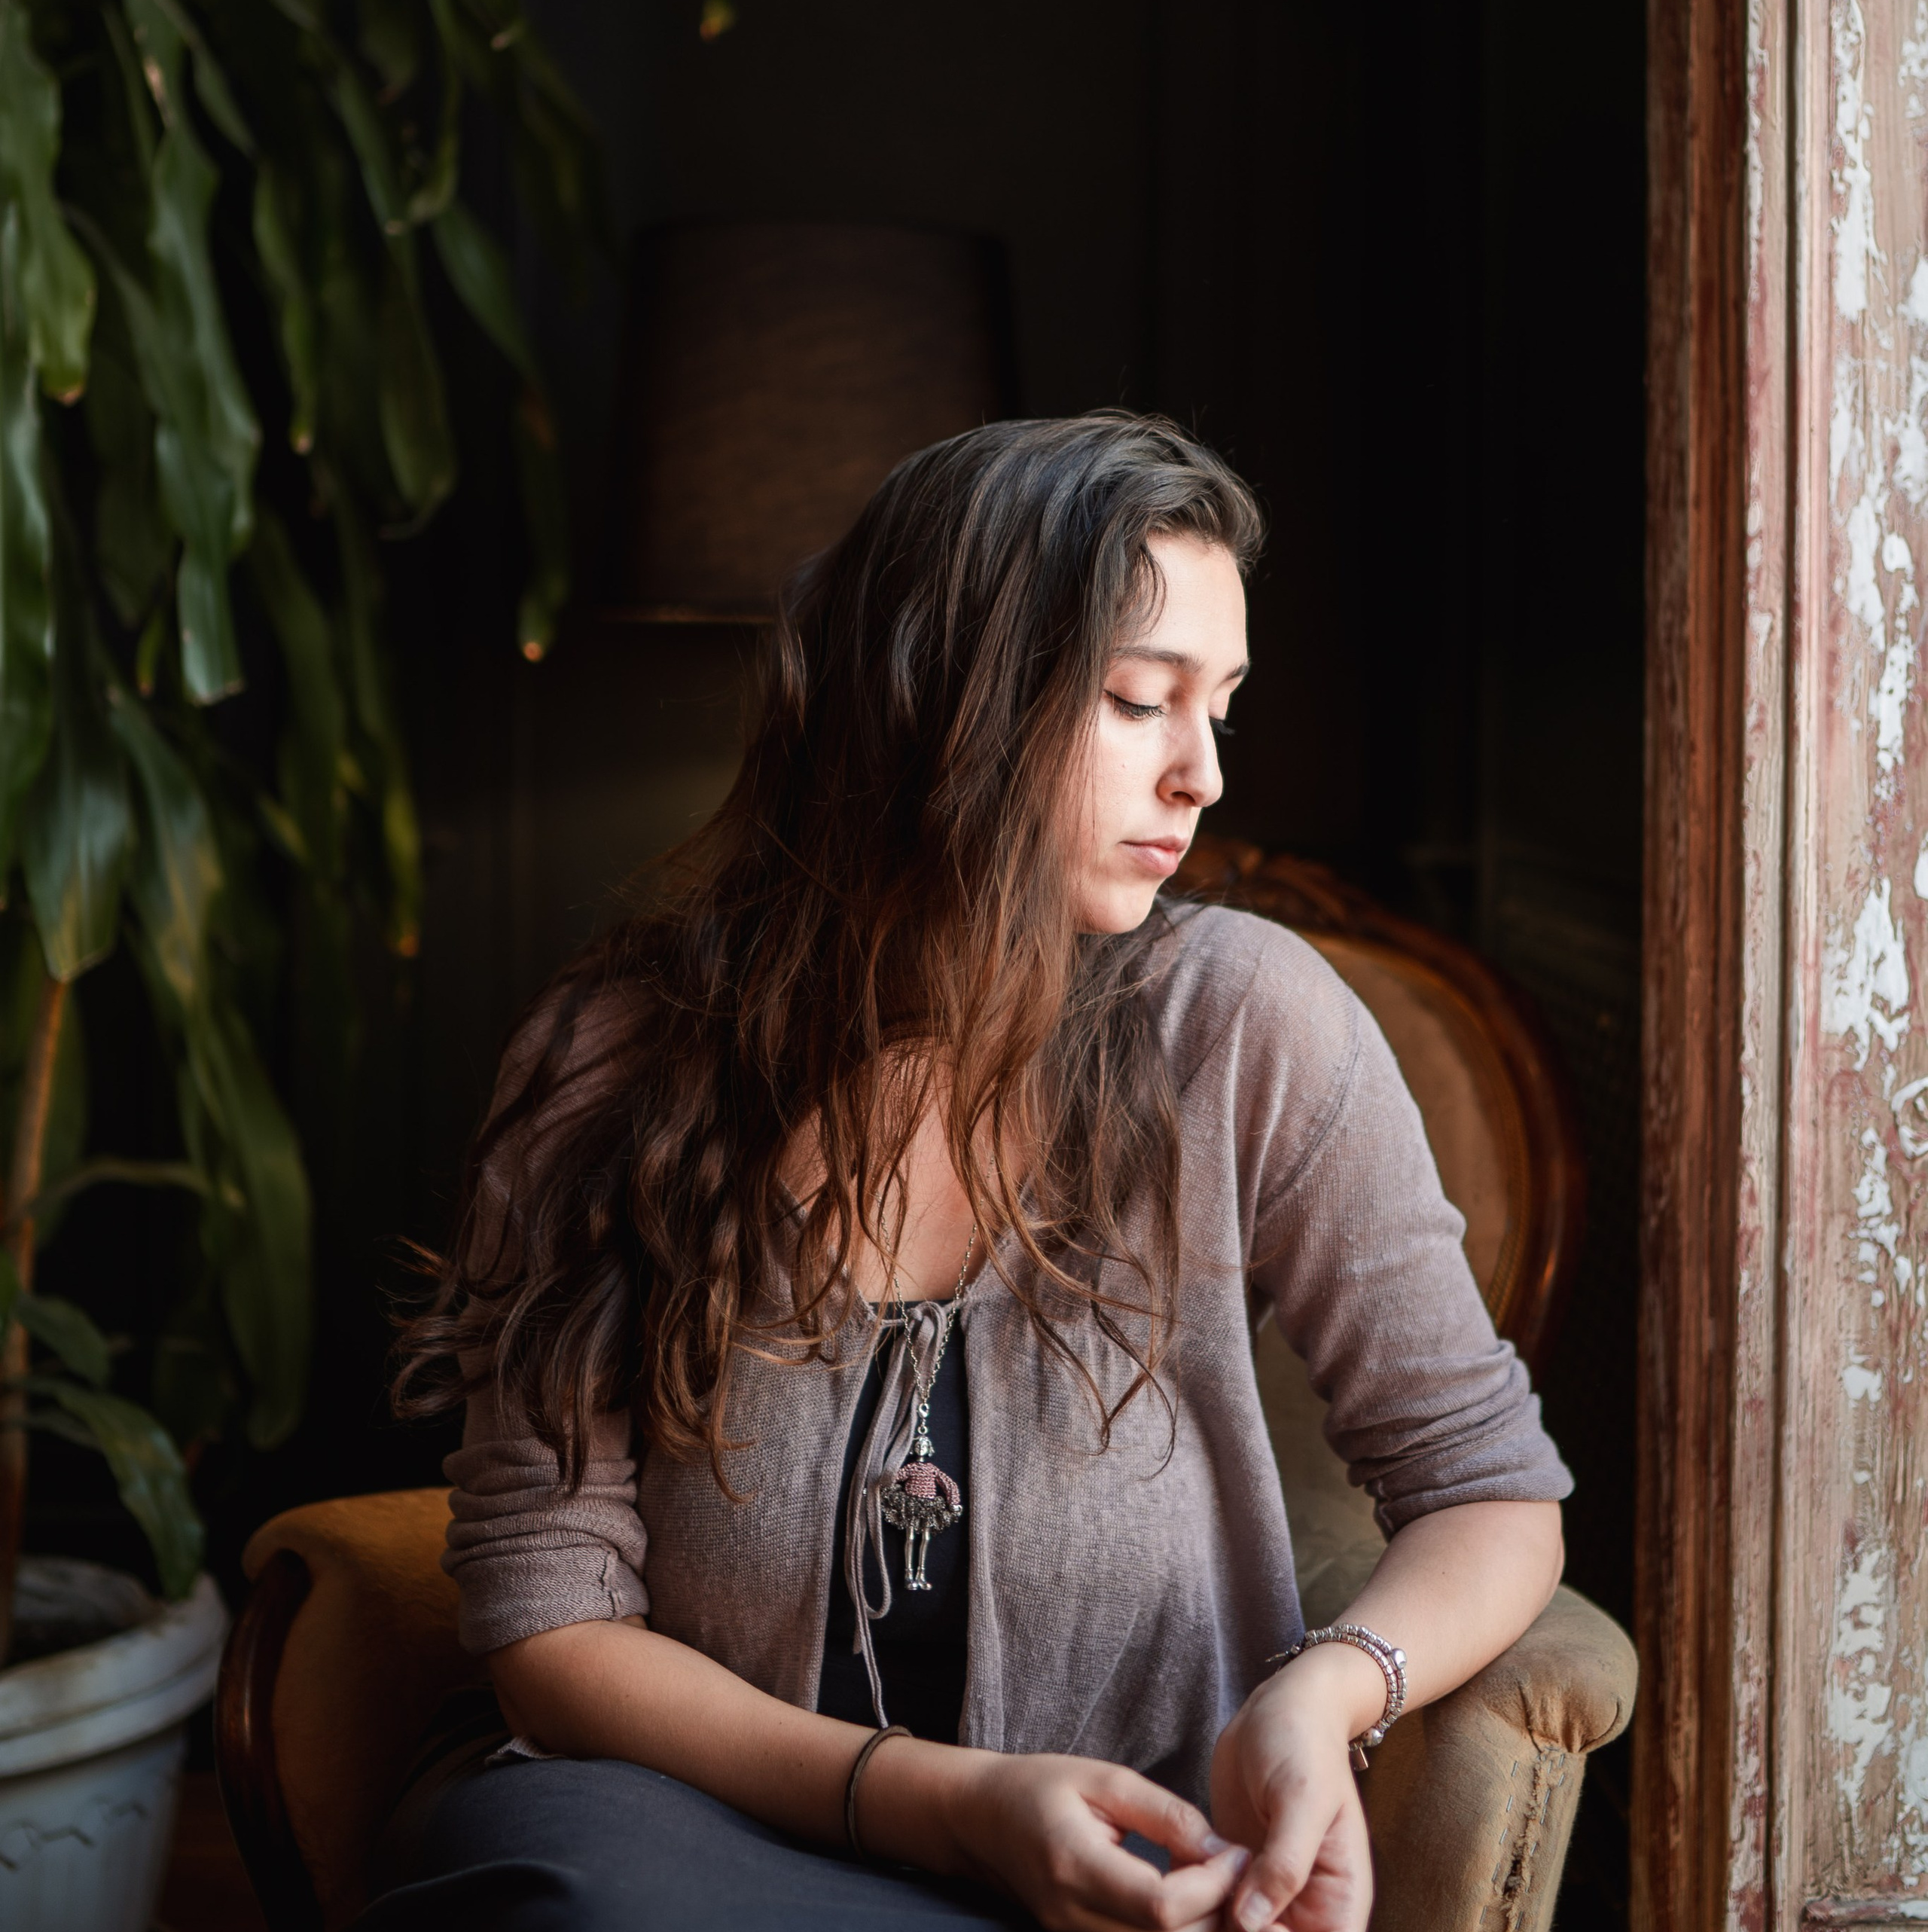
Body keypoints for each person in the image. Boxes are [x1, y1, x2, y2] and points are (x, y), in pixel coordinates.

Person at [375, 412, 1570, 1932]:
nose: (1201, 773)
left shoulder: (1243, 1022)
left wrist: (1323, 1692)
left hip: (1111, 1865)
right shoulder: (615, 1058)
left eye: (1222, 705)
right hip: (678, 1836)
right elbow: (546, 1614)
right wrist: (940, 1801)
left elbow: (1488, 1489)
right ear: (936, 701)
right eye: (1140, 700)